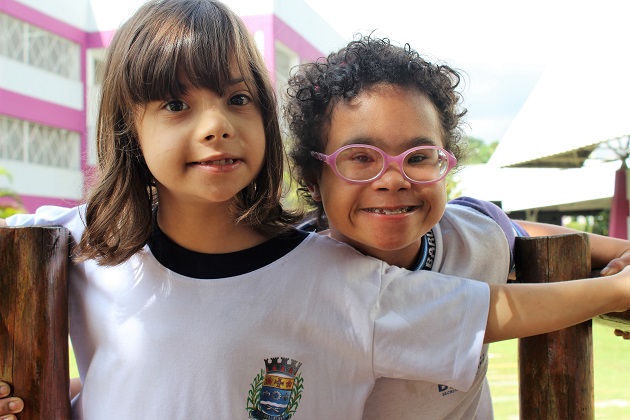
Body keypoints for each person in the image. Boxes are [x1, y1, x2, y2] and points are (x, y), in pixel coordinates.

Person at [1, 4, 630, 418]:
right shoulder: (65, 244)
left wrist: (615, 286)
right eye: (175, 104)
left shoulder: (333, 276)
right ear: (126, 127)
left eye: (238, 99)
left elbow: (491, 306)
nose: (216, 126)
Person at [284, 35, 630, 419]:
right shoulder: (295, 278)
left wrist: (619, 251)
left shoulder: (474, 234)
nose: (393, 178)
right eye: (361, 157)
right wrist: (617, 289)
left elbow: (518, 232)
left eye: (419, 156)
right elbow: (480, 311)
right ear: (315, 178)